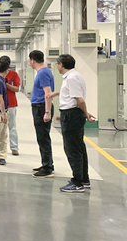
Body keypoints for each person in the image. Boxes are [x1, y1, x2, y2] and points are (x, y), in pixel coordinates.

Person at [47, 55, 96, 192]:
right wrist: (57, 93)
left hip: (71, 115)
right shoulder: (75, 76)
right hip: (74, 113)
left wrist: (86, 113)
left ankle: (77, 183)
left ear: (61, 65)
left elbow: (79, 100)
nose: (57, 66)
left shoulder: (71, 78)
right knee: (79, 147)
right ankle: (84, 179)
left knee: (72, 149)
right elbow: (72, 94)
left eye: (57, 64)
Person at [29, 50, 55, 178]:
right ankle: (47, 163)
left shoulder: (43, 73)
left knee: (43, 138)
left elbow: (48, 93)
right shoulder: (43, 72)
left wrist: (47, 111)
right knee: (43, 138)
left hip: (41, 107)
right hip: (40, 107)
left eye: (30, 61)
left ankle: (47, 168)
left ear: (33, 60)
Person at [0, 56, 21, 155]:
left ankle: (14, 147)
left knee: (12, 127)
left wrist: (6, 84)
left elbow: (16, 89)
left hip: (11, 104)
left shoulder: (14, 74)